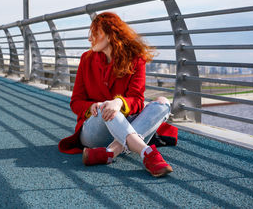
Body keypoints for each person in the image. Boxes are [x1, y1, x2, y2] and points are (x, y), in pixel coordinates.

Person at [58, 12, 173, 177]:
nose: (90, 39)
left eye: (95, 33)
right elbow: (75, 102)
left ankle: (110, 152)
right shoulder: (86, 59)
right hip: (93, 131)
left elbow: (138, 100)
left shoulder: (136, 59)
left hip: (124, 127)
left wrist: (119, 103)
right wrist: (92, 107)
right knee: (108, 108)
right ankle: (147, 153)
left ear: (110, 35)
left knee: (163, 103)